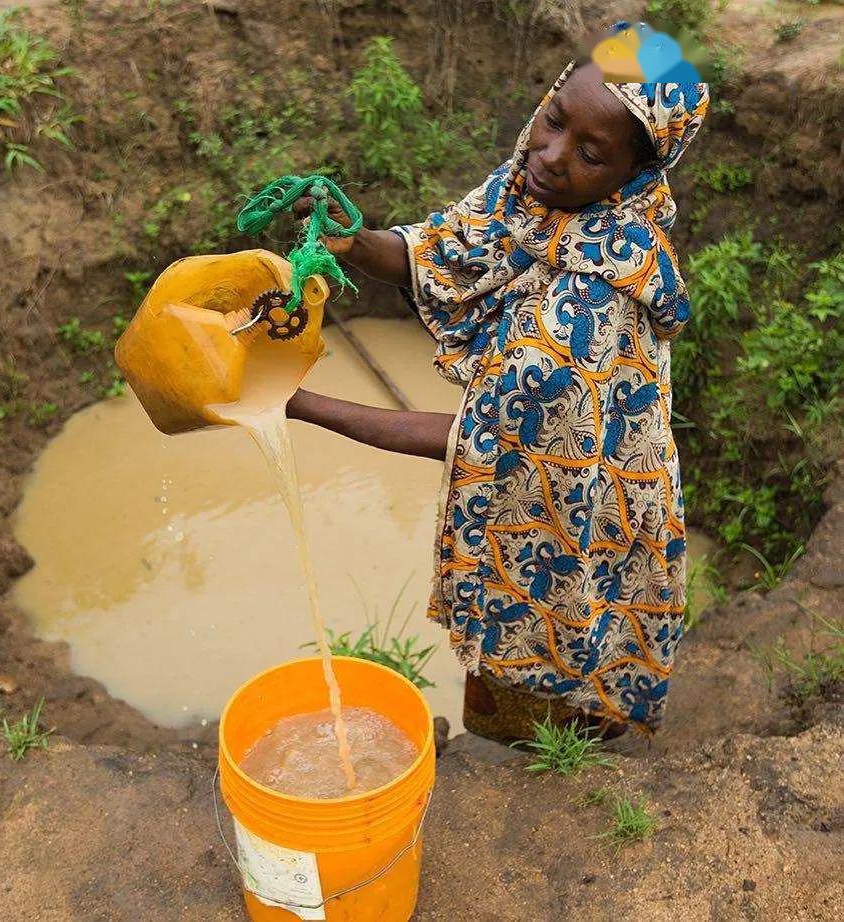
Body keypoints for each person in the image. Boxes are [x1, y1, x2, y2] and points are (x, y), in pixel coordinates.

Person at [288, 59, 710, 741]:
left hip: (582, 500)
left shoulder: (591, 305)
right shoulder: (534, 194)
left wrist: (297, 403)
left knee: (552, 641)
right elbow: (451, 250)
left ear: (632, 174)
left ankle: (556, 770)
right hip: (540, 469)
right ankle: (545, 753)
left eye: (589, 152)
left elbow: (482, 439)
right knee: (516, 655)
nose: (550, 153)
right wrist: (357, 244)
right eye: (554, 118)